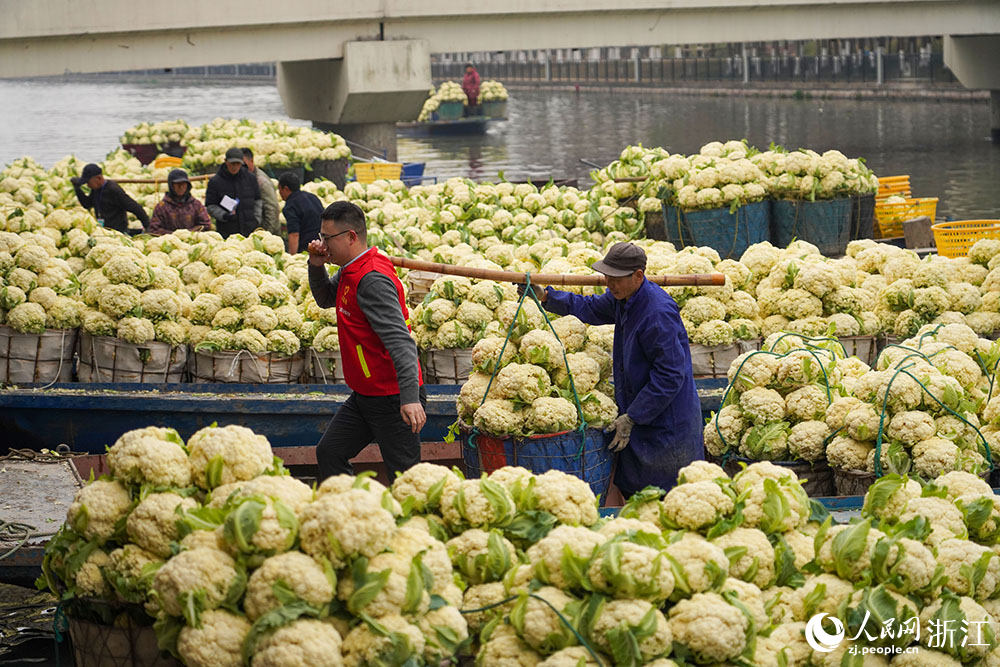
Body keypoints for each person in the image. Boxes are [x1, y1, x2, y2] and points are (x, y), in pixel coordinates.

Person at [529, 242, 703, 497]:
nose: (609, 283)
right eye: (607, 277)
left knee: (670, 494)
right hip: (641, 410)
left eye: (616, 278)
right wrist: (546, 296)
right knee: (638, 493)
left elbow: (669, 376)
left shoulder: (656, 313)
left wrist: (633, 416)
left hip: (667, 421)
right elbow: (589, 307)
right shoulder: (624, 298)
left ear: (638, 276)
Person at [307, 201, 426, 482]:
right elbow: (325, 298)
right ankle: (349, 511)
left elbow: (401, 342)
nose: (323, 243)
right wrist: (316, 264)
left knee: (406, 479)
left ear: (350, 237)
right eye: (321, 236)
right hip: (366, 393)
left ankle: (411, 524)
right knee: (329, 452)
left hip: (393, 397)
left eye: (327, 238)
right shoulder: (350, 269)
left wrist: (409, 399)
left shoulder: (371, 279)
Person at [71, 163, 149, 234]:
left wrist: (147, 226)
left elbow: (134, 207)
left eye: (88, 182)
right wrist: (77, 189)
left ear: (99, 178)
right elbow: (87, 204)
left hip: (118, 231)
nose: (88, 185)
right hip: (104, 230)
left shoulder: (113, 190)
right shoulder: (96, 190)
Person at [204, 147, 262, 238]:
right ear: (226, 161)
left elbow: (258, 200)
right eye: (232, 163)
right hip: (227, 231)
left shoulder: (250, 178)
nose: (235, 167)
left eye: (237, 163)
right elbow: (211, 205)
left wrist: (256, 219)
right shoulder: (215, 182)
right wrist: (224, 216)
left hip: (249, 229)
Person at [149, 169, 212, 236]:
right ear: (171, 185)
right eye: (177, 184)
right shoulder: (161, 207)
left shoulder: (196, 205)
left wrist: (188, 234)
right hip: (169, 242)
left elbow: (206, 224)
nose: (181, 187)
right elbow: (154, 229)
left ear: (188, 185)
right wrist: (174, 235)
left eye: (183, 184)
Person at [278, 172, 323, 254]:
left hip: (307, 248)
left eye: (279, 189)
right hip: (321, 244)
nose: (279, 192)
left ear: (286, 189)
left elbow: (294, 234)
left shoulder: (290, 206)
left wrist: (292, 256)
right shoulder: (312, 197)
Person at [242, 148, 281, 237]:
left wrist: (267, 234)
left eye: (244, 165)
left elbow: (272, 209)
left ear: (251, 161)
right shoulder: (245, 178)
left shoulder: (262, 182)